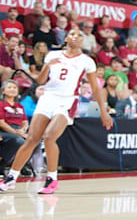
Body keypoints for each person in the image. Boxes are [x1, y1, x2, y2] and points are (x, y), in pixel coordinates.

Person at [0, 29, 112, 193]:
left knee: (50, 136)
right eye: (73, 34)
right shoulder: (53, 55)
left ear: (83, 41)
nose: (76, 37)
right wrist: (47, 67)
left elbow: (95, 87)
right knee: (32, 139)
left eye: (80, 35)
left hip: (67, 100)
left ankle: (52, 179)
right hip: (48, 97)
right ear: (66, 38)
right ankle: (11, 178)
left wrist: (103, 111)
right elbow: (40, 81)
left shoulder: (87, 61)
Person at [0, 81, 28, 169]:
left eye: (14, 87)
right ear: (3, 91)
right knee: (18, 140)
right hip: (5, 130)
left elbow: (25, 121)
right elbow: (2, 123)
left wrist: (23, 130)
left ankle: (21, 166)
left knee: (34, 142)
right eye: (9, 87)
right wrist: (17, 132)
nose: (12, 89)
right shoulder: (1, 104)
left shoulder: (20, 106)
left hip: (19, 130)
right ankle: (2, 165)